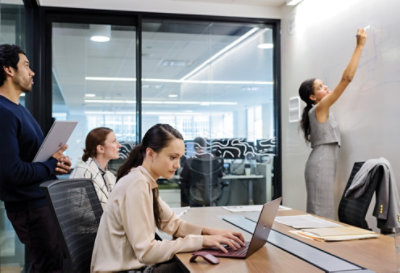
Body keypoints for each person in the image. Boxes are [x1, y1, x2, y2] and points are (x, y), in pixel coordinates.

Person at [91, 124, 244, 273]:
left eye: (180, 158)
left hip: (131, 265)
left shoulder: (145, 181)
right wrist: (202, 241)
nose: (177, 165)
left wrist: (209, 233)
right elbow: (147, 252)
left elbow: (173, 225)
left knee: (200, 259)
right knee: (201, 266)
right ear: (150, 153)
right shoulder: (136, 184)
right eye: (172, 157)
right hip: (121, 270)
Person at [0, 44, 71, 272]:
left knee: (49, 264)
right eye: (26, 66)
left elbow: (34, 160)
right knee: (48, 266)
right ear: (8, 70)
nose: (32, 72)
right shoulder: (3, 113)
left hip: (42, 201)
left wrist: (56, 164)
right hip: (29, 207)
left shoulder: (19, 109)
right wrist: (49, 164)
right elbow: (13, 173)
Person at [298, 29, 367, 219]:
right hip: (321, 163)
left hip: (324, 161)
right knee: (321, 214)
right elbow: (346, 79)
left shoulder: (321, 110)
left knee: (323, 213)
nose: (326, 87)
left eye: (323, 84)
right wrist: (359, 46)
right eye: (320, 87)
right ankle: (314, 249)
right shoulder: (319, 108)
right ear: (312, 97)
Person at [70, 127, 121, 208]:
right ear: (101, 148)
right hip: (91, 220)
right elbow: (76, 209)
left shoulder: (109, 175)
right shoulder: (82, 172)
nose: (119, 145)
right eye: (114, 142)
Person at [180, 137, 224, 206]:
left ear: (194, 147)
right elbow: (221, 175)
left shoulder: (189, 161)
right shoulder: (214, 160)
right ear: (205, 146)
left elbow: (183, 178)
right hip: (212, 193)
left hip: (195, 194)